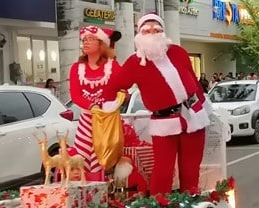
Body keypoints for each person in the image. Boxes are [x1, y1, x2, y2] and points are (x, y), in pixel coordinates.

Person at [104, 13, 212, 196]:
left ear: (163, 32)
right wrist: (109, 104)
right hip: (164, 121)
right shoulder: (134, 63)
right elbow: (114, 85)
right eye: (147, 30)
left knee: (191, 169)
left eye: (157, 29)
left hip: (193, 116)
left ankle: (190, 204)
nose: (152, 33)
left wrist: (204, 107)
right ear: (139, 34)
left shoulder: (178, 52)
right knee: (163, 170)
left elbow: (193, 82)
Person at [68, 25, 122, 181]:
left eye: (90, 39)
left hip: (107, 122)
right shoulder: (76, 68)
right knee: (81, 158)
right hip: (86, 121)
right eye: (84, 39)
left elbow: (123, 90)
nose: (85, 42)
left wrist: (116, 102)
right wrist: (91, 106)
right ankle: (84, 196)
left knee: (104, 160)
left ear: (101, 44)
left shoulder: (113, 67)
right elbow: (75, 95)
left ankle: (104, 196)